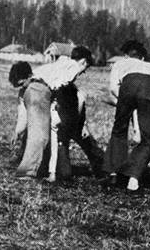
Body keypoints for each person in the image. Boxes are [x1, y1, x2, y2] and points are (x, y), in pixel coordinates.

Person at [15, 46, 94, 180]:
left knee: (44, 134)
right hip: (47, 98)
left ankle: (45, 168)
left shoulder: (59, 64)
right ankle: (46, 171)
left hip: (39, 91)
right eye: (85, 69)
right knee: (53, 136)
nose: (83, 73)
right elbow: (60, 86)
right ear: (83, 62)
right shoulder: (73, 67)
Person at [103, 40, 150, 193]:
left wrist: (126, 101)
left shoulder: (121, 64)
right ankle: (133, 180)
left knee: (119, 131)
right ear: (142, 58)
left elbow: (114, 89)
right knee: (148, 139)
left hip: (128, 87)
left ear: (126, 56)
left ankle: (114, 173)